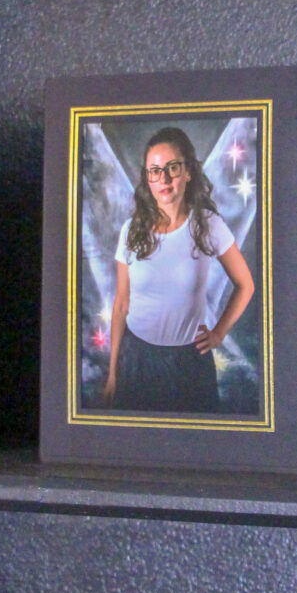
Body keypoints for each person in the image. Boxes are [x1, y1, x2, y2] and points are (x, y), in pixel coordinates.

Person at [104, 126, 254, 414]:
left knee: (194, 439)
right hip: (136, 359)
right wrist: (112, 372)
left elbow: (246, 285)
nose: (164, 179)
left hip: (189, 363)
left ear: (188, 172)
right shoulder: (131, 230)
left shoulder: (208, 225)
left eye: (172, 168)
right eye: (154, 171)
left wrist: (218, 334)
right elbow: (121, 303)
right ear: (147, 178)